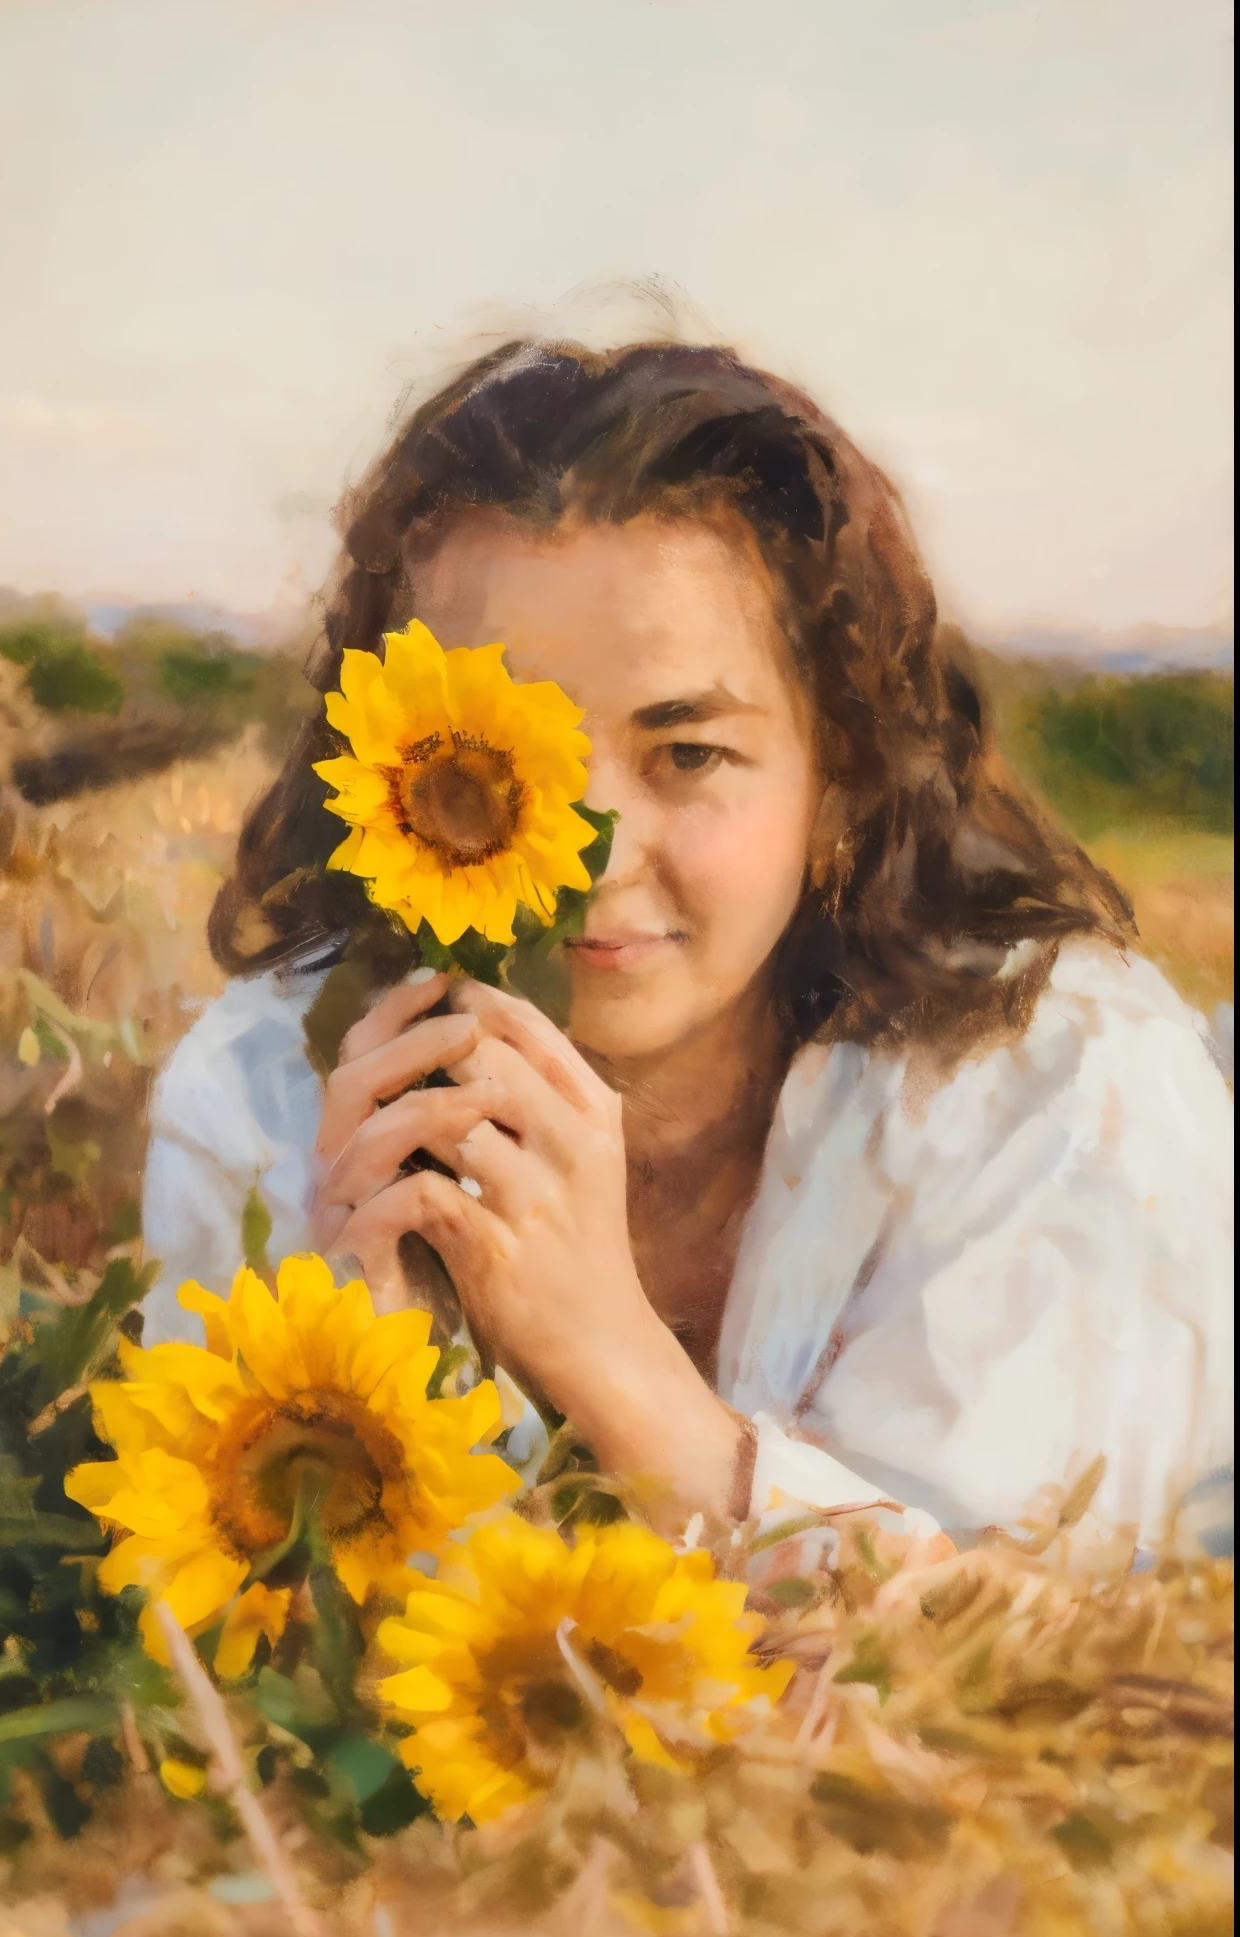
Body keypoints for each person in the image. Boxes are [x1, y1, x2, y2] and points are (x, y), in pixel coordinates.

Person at [140, 339, 1233, 1555]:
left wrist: (607, 1358)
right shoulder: (271, 1090)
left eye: (688, 754)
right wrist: (362, 1379)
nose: (590, 859)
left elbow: (1006, 1644)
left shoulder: (1056, 1086)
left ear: (841, 778)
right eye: (486, 767)